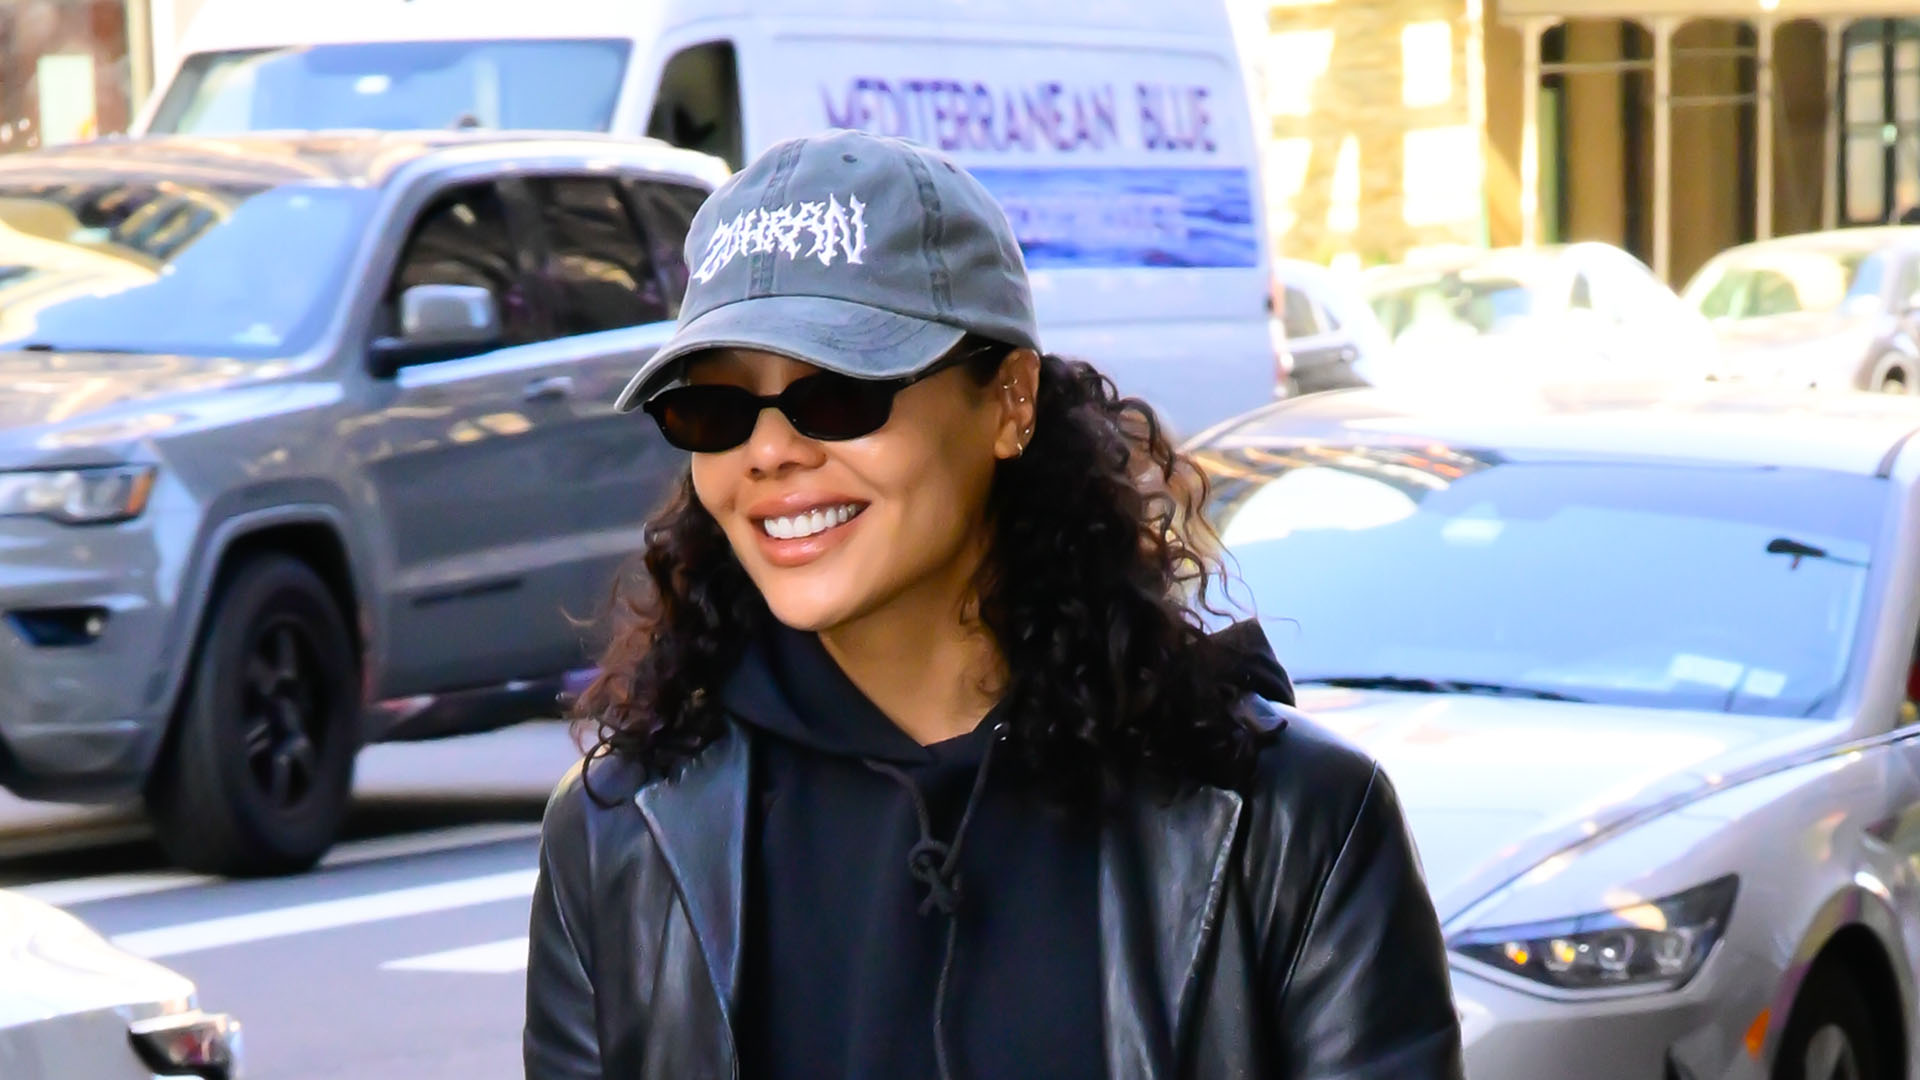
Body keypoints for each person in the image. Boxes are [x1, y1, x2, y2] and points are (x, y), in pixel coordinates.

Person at [523, 129, 1464, 1080]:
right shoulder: (620, 835)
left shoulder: (1293, 822)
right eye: (713, 409)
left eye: (840, 390)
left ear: (1010, 400)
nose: (767, 452)